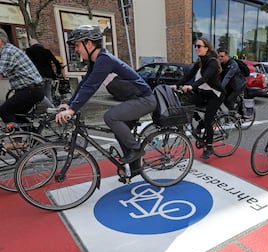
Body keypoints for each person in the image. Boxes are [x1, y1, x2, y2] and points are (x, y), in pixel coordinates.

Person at [55, 25, 157, 166]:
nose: (76, 49)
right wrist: (70, 104)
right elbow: (85, 83)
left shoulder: (104, 59)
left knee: (110, 117)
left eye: (77, 45)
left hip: (144, 100)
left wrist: (72, 110)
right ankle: (135, 167)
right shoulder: (96, 60)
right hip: (135, 99)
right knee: (119, 132)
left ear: (89, 43)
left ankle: (136, 149)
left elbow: (91, 87)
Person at [172, 37, 225, 159]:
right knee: (186, 105)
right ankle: (198, 124)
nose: (196, 48)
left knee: (208, 120)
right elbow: (188, 75)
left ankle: (210, 147)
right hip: (203, 93)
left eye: (199, 46)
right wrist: (177, 85)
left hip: (215, 95)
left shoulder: (212, 62)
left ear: (206, 48)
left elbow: (204, 78)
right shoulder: (199, 62)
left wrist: (191, 86)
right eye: (195, 46)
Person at [0, 28, 45, 125]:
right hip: (31, 89)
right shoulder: (7, 50)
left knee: (4, 111)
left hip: (30, 90)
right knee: (16, 115)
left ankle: (15, 139)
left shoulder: (7, 51)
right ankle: (34, 138)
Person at [26, 38, 62, 104]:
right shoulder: (47, 51)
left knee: (39, 94)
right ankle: (51, 110)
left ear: (30, 44)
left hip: (38, 76)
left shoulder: (29, 51)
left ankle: (42, 109)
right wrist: (58, 72)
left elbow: (27, 64)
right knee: (48, 94)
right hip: (49, 75)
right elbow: (56, 62)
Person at [217, 48, 247, 114]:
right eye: (218, 56)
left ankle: (233, 115)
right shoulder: (222, 64)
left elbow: (228, 76)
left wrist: (220, 87)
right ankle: (231, 113)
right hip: (230, 85)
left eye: (222, 56)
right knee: (223, 99)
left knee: (229, 100)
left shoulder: (233, 64)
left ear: (227, 56)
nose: (220, 58)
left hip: (239, 85)